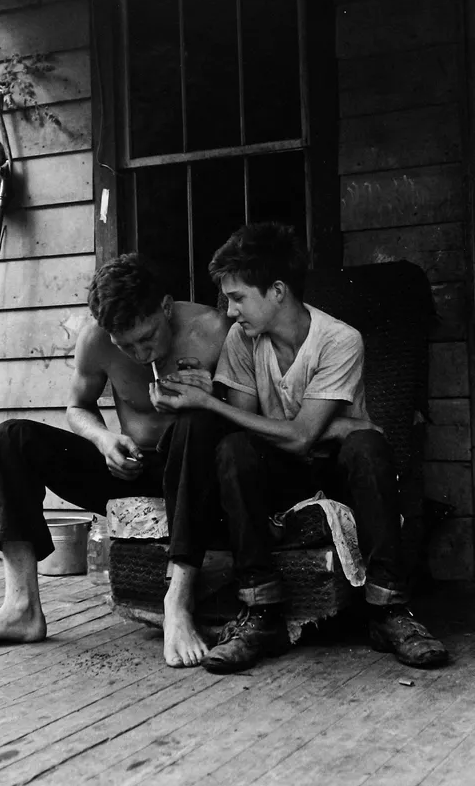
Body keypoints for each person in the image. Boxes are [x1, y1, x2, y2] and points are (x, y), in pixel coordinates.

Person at [151, 221, 448, 674]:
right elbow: (249, 432)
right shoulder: (243, 340)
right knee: (233, 451)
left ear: (276, 291)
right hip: (282, 473)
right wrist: (331, 425)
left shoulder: (339, 339)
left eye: (237, 298)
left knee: (366, 445)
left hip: (334, 474)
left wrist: (212, 402)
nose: (230, 312)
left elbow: (304, 436)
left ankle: (390, 612)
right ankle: (262, 612)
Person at [0, 253, 230, 668]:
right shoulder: (95, 338)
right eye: (124, 344)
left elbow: (247, 414)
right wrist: (104, 438)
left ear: (166, 308)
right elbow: (78, 406)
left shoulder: (212, 330)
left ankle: (178, 601)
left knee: (192, 428)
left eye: (147, 337)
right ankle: (20, 606)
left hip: (197, 478)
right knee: (12, 437)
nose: (139, 352)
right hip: (132, 466)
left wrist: (209, 397)